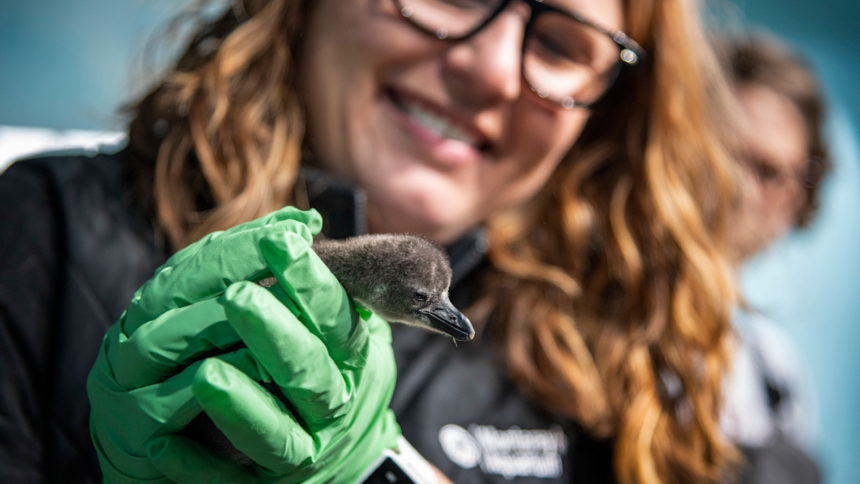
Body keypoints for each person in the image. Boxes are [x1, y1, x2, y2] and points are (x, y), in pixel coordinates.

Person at [0, 0, 747, 483]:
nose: (488, 70)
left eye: (559, 41)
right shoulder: (45, 231)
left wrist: (380, 473)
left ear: (610, 112)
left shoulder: (630, 350)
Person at [716, 33, 830, 484]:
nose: (742, 190)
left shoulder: (776, 374)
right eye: (729, 156)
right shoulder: (588, 327)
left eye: (769, 173)